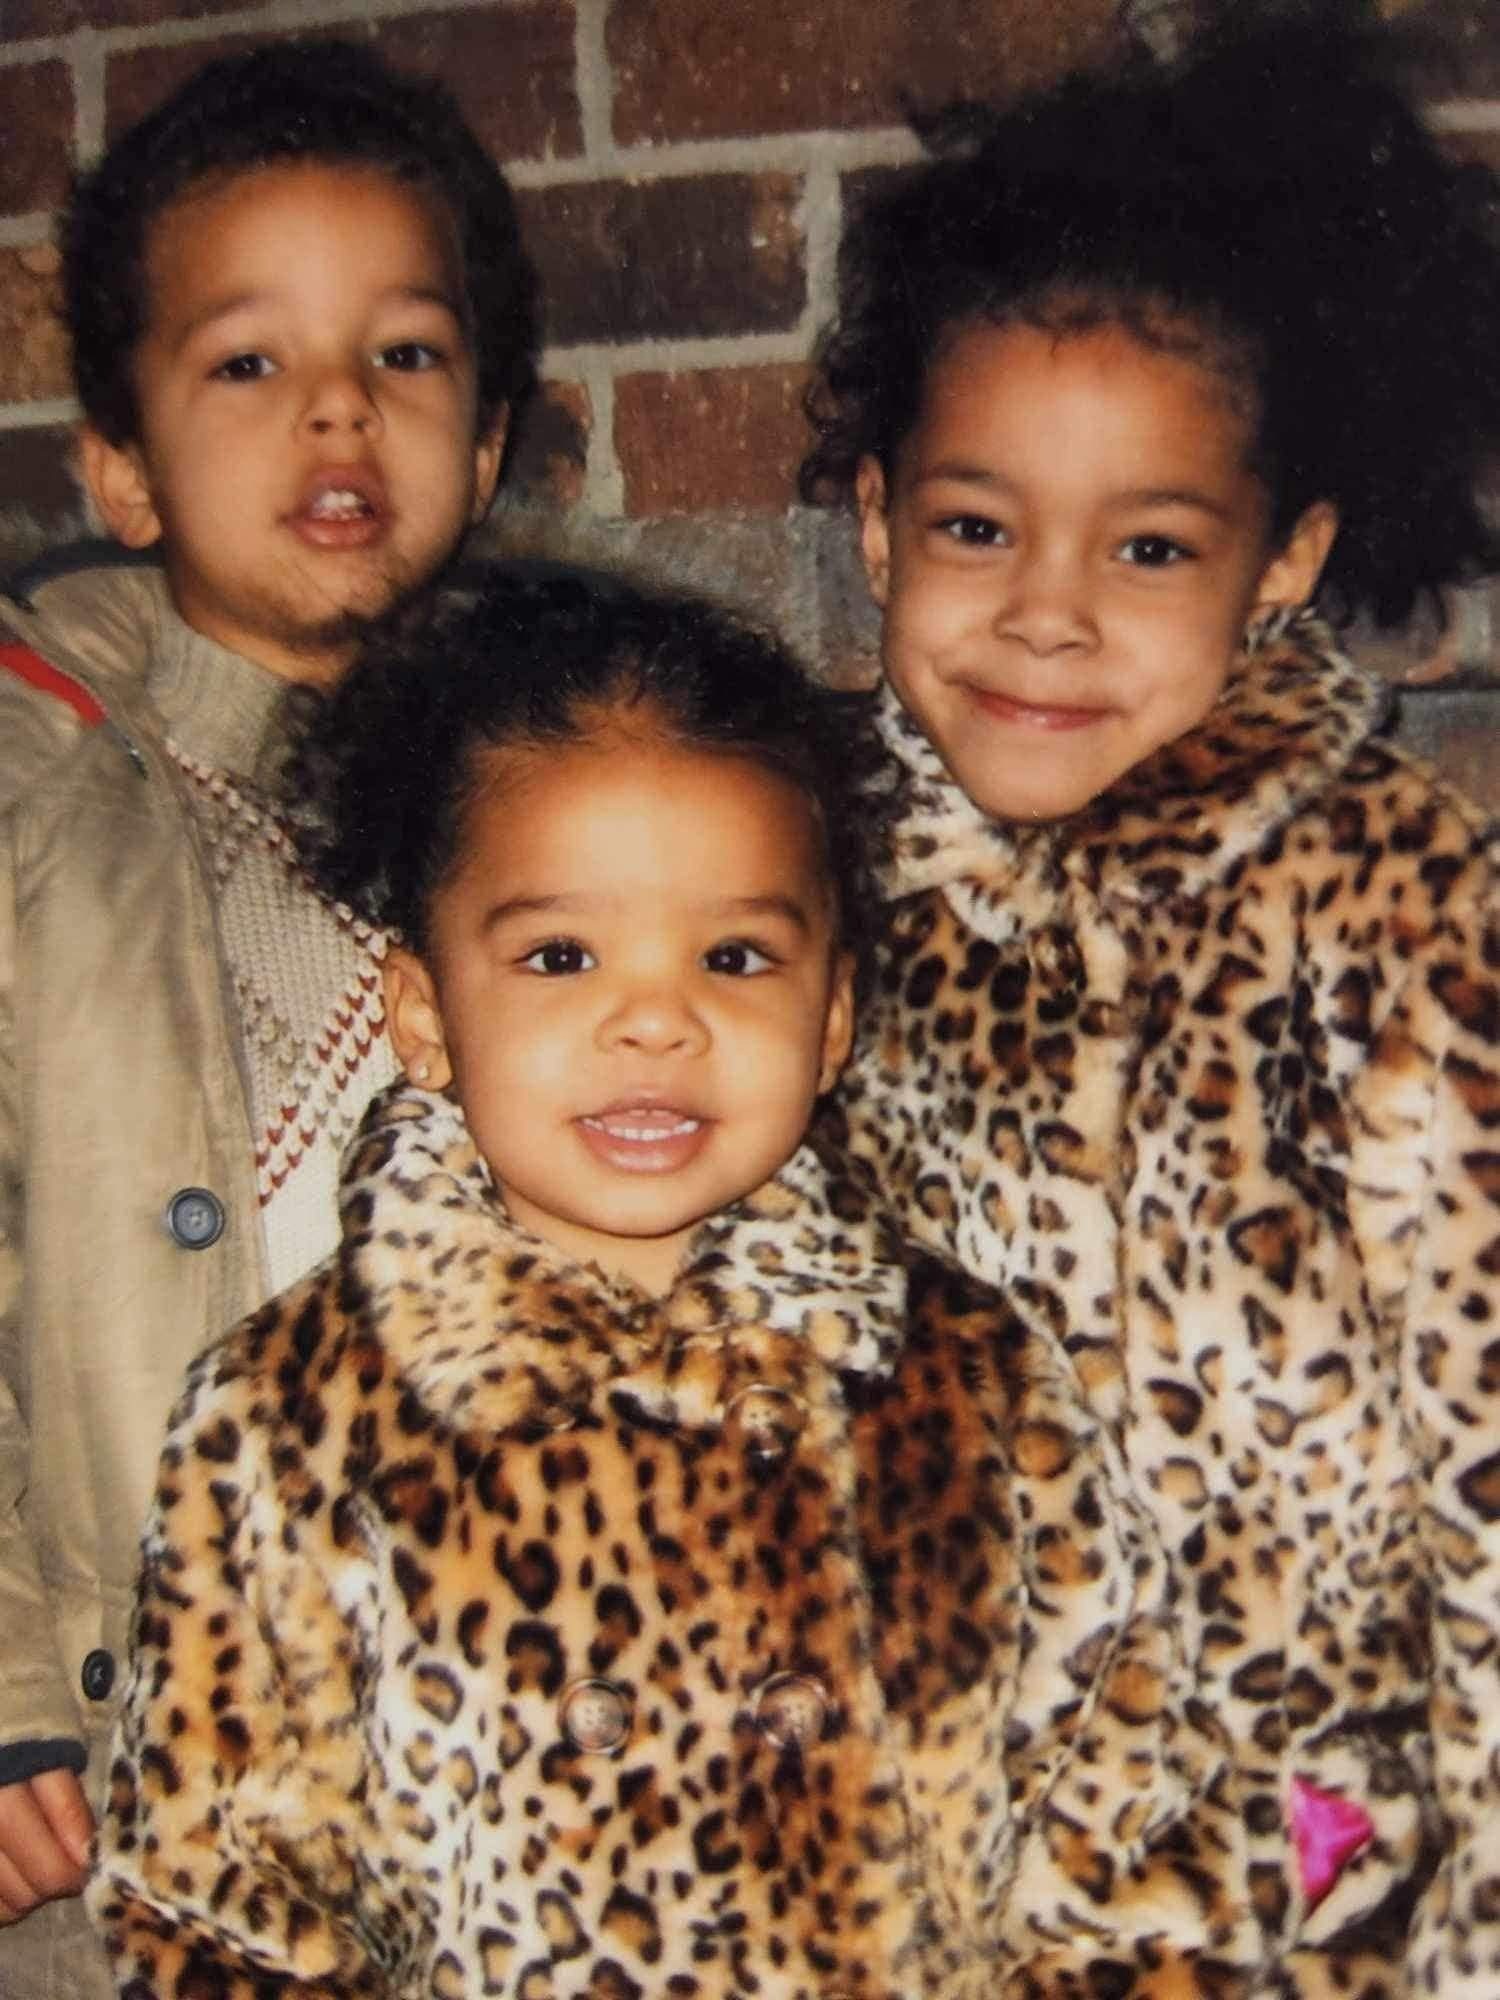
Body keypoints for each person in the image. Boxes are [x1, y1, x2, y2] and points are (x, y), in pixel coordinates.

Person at [91, 565, 1203, 1998]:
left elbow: (1123, 1809)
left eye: (734, 956)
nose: (657, 1021)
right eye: (562, 956)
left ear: (832, 1018)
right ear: (425, 1014)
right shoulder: (290, 1420)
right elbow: (214, 1905)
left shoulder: (968, 1372)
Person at [799, 17, 1500, 1996]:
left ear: (1281, 565)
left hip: (1304, 1863)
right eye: (977, 526)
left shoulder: (1386, 901)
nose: (1047, 609)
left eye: (1151, 548)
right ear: (878, 522)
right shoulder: (796, 879)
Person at [0, 40, 535, 1997]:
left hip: (512, 1760)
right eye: (249, 361)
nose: (338, 406)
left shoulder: (583, 787)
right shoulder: (34, 793)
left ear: (486, 446)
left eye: (404, 352)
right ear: (122, 468)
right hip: (140, 1770)